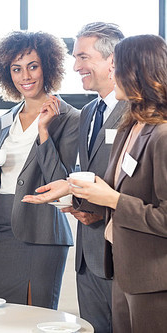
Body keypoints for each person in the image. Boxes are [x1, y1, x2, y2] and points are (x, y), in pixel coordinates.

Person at [24, 34, 167, 332]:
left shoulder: (160, 133)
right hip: (114, 260)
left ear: (137, 71)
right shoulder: (131, 125)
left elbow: (135, 202)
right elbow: (110, 182)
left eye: (119, 66)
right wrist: (73, 192)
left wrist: (110, 201)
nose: (76, 66)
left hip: (148, 271)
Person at [0, 31, 79, 309]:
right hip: (3, 229)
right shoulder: (6, 118)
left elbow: (59, 181)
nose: (25, 76)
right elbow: (6, 176)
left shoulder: (69, 117)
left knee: (35, 318)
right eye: (16, 69)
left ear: (48, 66)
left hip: (41, 230)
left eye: (33, 66)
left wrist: (44, 130)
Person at [67, 22, 125, 332]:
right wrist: (77, 202)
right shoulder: (88, 111)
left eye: (83, 57)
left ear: (112, 60)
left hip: (121, 255)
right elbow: (87, 169)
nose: (75, 66)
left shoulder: (140, 111)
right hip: (87, 255)